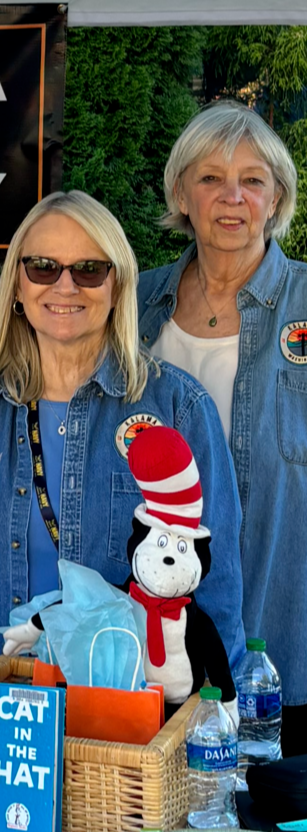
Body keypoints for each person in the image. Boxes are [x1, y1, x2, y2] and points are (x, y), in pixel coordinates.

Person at [0, 190, 246, 712]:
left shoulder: (178, 408)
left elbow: (216, 590)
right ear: (17, 288)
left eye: (90, 269)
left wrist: (209, 740)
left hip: (127, 723)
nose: (65, 286)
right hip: (1, 718)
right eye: (43, 267)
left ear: (117, 286)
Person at [137, 100, 306, 755]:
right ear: (181, 193)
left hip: (282, 623)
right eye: (209, 177)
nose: (231, 196)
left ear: (276, 198)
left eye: (252, 180)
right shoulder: (132, 302)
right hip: (156, 624)